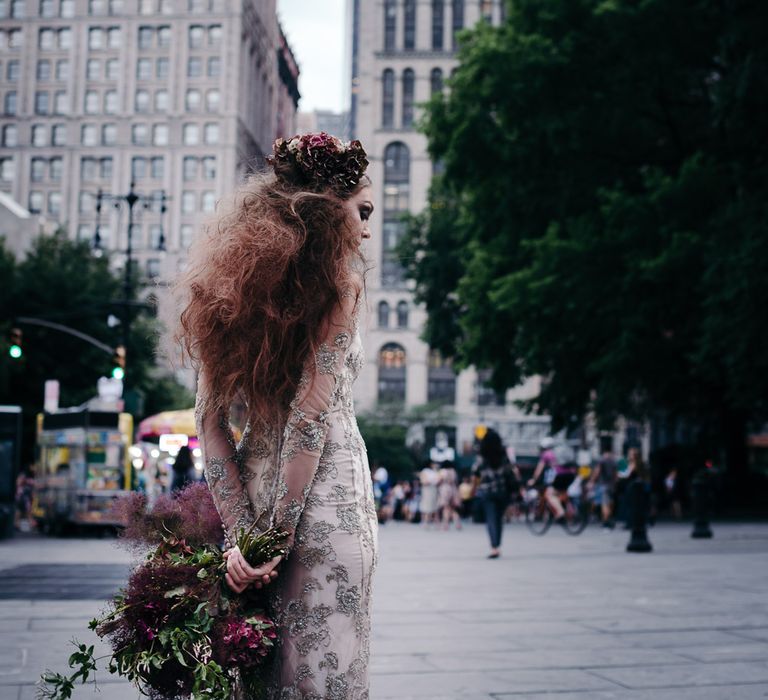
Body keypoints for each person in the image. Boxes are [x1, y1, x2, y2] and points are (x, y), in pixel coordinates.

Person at [177, 132, 378, 697]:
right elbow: (310, 418)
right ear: (322, 208)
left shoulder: (227, 289)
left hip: (253, 494)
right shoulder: (343, 284)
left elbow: (209, 426)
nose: (366, 228)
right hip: (324, 504)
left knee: (255, 677)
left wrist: (244, 539)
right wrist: (275, 541)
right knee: (322, 678)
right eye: (361, 211)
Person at [472, 429, 520, 558]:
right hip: (503, 491)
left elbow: (476, 473)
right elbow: (510, 472)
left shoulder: (482, 456)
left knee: (491, 518)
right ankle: (497, 544)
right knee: (498, 518)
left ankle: (494, 547)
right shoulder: (503, 455)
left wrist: (474, 489)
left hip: (487, 492)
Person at [527, 437, 574, 523]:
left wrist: (533, 479)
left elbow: (539, 469)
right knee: (562, 493)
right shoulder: (560, 451)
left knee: (549, 494)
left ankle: (560, 512)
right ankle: (572, 512)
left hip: (559, 475)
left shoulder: (546, 454)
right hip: (570, 474)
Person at [589, 449, 618, 528]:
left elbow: (597, 472)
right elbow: (616, 475)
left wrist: (592, 481)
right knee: (609, 503)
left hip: (603, 485)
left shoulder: (602, 460)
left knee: (604, 504)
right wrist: (614, 484)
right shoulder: (613, 461)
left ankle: (606, 521)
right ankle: (608, 519)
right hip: (611, 485)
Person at [437, 461, 461, 530]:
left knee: (446, 508)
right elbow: (456, 481)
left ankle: (445, 524)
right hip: (453, 489)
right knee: (453, 508)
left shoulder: (442, 471)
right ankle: (457, 523)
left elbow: (439, 480)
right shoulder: (453, 471)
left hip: (445, 489)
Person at [419, 461, 440, 527]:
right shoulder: (425, 471)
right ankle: (425, 521)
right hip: (427, 489)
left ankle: (434, 522)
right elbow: (423, 481)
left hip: (434, 489)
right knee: (426, 505)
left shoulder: (435, 471)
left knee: (434, 506)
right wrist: (431, 481)